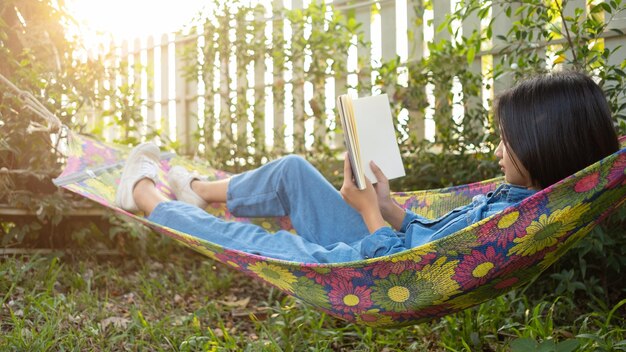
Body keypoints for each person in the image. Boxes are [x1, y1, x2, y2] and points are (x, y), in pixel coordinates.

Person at [114, 71, 620, 263]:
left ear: (545, 148)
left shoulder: (514, 220)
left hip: (369, 268)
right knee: (293, 170)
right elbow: (432, 239)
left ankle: (145, 196)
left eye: (507, 146)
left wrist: (370, 216)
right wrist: (388, 207)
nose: (497, 154)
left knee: (259, 244)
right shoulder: (519, 201)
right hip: (382, 241)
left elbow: (415, 264)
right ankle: (199, 189)